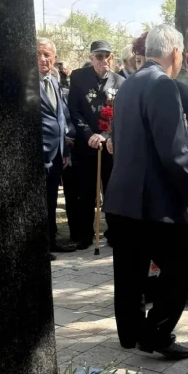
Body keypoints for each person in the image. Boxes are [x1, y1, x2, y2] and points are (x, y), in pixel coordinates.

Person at [104, 25, 188, 359]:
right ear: (176, 53)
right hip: (154, 203)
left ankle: (131, 334)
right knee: (179, 272)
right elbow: (175, 153)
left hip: (121, 197)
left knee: (129, 272)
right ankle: (156, 334)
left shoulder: (129, 84)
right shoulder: (163, 85)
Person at [68, 40, 124, 249]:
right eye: (99, 56)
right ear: (91, 58)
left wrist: (105, 135)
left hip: (109, 145)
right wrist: (89, 134)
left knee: (112, 190)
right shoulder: (78, 78)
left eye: (108, 56)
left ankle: (114, 232)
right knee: (86, 192)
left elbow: (120, 115)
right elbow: (74, 110)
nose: (104, 60)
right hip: (86, 145)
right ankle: (85, 235)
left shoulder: (120, 82)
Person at [37, 37, 77, 259]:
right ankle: (39, 246)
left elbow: (60, 116)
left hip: (56, 153)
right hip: (38, 154)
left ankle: (51, 240)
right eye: (38, 54)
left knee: (51, 200)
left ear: (55, 57)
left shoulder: (53, 80)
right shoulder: (27, 82)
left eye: (47, 55)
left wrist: (65, 151)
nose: (43, 59)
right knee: (39, 203)